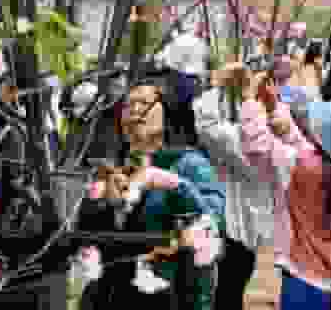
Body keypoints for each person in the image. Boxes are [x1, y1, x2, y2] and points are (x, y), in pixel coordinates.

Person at [78, 74, 226, 310]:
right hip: (111, 296)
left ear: (166, 110)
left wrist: (173, 184)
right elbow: (88, 236)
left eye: (144, 104)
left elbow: (214, 221)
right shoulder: (110, 168)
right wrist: (104, 203)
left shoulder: (189, 164)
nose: (133, 111)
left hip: (173, 295)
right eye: (127, 105)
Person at [242, 55, 331, 310]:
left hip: (303, 280)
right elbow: (296, 141)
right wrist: (272, 106)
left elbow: (256, 146)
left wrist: (248, 101)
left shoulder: (302, 166)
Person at [193, 64, 276, 310]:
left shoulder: (241, 141)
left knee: (224, 293)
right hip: (247, 229)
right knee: (233, 290)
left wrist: (219, 84)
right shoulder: (271, 138)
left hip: (233, 228)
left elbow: (207, 125)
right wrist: (248, 97)